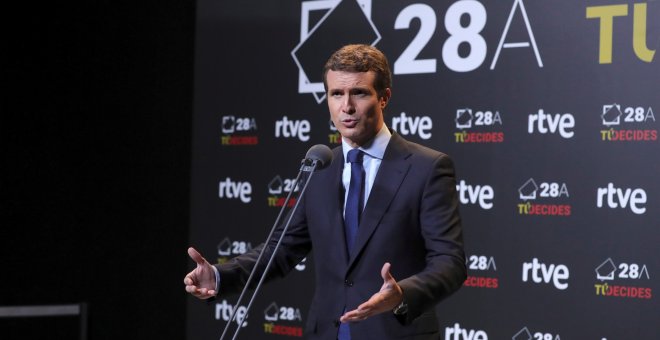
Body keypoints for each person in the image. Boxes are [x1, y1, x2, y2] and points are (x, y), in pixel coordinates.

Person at [184, 44, 466, 340]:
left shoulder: (427, 168)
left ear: (384, 97)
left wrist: (402, 295)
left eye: (359, 92)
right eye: (336, 94)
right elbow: (281, 249)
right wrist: (219, 276)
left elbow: (450, 263)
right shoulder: (320, 167)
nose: (346, 107)